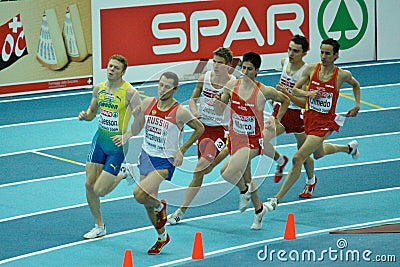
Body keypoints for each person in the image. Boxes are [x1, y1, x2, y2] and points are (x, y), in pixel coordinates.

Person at [265, 38, 361, 210]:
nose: (323, 56)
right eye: (322, 52)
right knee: (319, 153)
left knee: (297, 158)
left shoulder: (341, 75)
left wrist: (357, 104)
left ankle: (276, 199)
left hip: (325, 122)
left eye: (328, 53)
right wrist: (309, 93)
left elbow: (356, 84)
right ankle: (348, 148)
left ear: (336, 55)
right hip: (309, 118)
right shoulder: (311, 69)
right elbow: (295, 89)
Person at [127, 71, 204, 254]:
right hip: (146, 155)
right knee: (147, 202)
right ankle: (162, 237)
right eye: (160, 85)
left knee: (139, 194)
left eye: (167, 87)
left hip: (164, 162)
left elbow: (199, 128)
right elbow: (138, 121)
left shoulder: (180, 111)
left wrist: (182, 150)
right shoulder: (149, 103)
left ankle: (161, 206)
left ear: (175, 90)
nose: (162, 89)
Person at [214, 51, 290, 230]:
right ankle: (259, 210)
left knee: (226, 172)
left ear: (257, 71)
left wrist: (276, 118)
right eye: (243, 68)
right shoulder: (232, 85)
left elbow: (285, 100)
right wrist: (218, 101)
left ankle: (243, 191)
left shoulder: (263, 91)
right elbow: (220, 108)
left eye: (250, 69)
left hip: (253, 141)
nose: (245, 72)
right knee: (247, 177)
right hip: (235, 137)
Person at [167, 47, 236, 224]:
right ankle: (229, 149)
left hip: (221, 130)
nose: (216, 65)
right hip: (203, 129)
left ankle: (181, 211)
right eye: (214, 61)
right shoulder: (204, 78)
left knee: (199, 169)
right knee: (206, 170)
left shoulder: (231, 83)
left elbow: (224, 108)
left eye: (220, 62)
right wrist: (195, 111)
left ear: (228, 65)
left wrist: (219, 101)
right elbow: (192, 98)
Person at [78, 54, 141, 239]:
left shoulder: (130, 93)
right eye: (110, 66)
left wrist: (127, 135)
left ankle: (123, 173)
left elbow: (140, 119)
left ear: (123, 72)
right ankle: (99, 226)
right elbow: (92, 113)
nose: (111, 70)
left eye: (116, 68)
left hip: (117, 146)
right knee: (89, 184)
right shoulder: (99, 89)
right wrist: (85, 116)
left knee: (100, 190)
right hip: (99, 141)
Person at [263, 34, 317, 198]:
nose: (291, 54)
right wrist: (277, 97)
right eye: (289, 49)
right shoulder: (284, 62)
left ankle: (310, 180)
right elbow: (281, 89)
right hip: (281, 111)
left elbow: (305, 104)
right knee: (262, 140)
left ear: (304, 53)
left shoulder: (306, 73)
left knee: (303, 154)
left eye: (296, 51)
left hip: (297, 115)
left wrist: (287, 94)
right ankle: (280, 160)